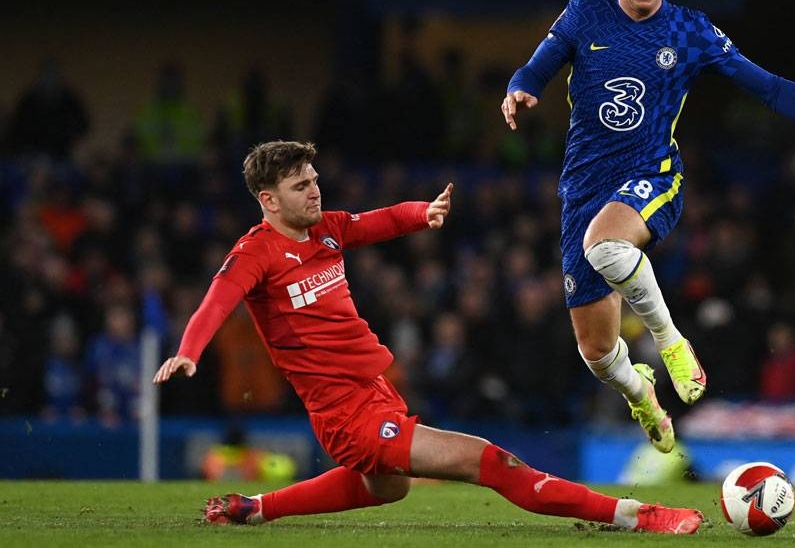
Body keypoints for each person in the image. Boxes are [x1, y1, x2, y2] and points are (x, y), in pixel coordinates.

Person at [501, 0, 795, 453]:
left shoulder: (691, 30)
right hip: (582, 188)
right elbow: (538, 65)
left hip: (652, 175)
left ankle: (671, 342)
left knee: (605, 244)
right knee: (598, 353)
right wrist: (520, 88)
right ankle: (640, 394)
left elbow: (769, 88)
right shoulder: (585, 14)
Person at [152, 140, 702, 534]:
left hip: (375, 392)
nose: (315, 191)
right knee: (491, 462)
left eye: (315, 179)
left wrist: (423, 213)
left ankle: (255, 508)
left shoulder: (326, 229)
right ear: (268, 199)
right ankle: (633, 515)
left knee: (387, 488)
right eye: (300, 186)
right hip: (346, 416)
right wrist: (186, 351)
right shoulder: (255, 254)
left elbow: (376, 222)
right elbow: (216, 303)